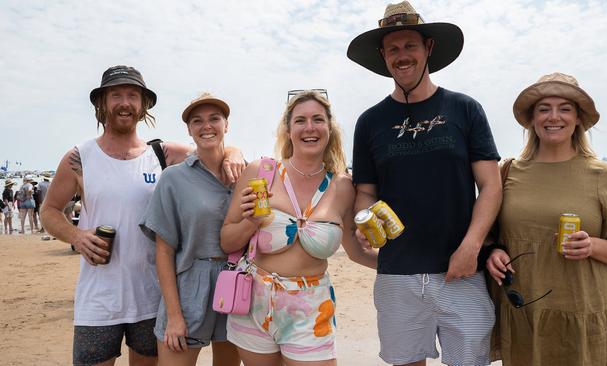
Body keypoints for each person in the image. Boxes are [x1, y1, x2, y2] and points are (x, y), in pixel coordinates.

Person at [40, 65, 244, 366]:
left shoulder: (163, 154)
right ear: (102, 103)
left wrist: (235, 152)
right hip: (98, 300)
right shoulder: (79, 157)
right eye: (116, 95)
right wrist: (77, 236)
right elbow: (49, 211)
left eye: (133, 96)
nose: (125, 102)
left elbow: (210, 145)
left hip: (152, 299)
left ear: (143, 104)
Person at [346, 2, 502, 365]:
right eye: (393, 49)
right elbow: (365, 191)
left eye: (410, 46)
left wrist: (471, 246)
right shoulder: (370, 122)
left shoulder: (465, 109)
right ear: (383, 56)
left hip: (460, 271)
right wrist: (363, 220)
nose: (402, 56)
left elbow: (491, 186)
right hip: (397, 275)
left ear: (428, 48)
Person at [485, 72, 607, 366]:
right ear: (532, 119)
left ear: (578, 119)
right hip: (525, 315)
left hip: (583, 313)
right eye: (544, 108)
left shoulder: (603, 176)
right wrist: (494, 252)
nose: (554, 117)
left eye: (565, 108)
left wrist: (592, 246)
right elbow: (490, 235)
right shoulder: (508, 171)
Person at [221, 90, 377, 365]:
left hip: (312, 309)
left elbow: (355, 252)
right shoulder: (261, 171)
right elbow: (227, 241)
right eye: (300, 120)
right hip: (255, 303)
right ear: (288, 130)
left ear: (329, 128)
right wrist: (251, 222)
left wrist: (405, 262)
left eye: (318, 119)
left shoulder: (343, 187)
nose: (310, 128)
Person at [140, 92, 240, 366]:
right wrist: (173, 315)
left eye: (214, 118)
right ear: (189, 129)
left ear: (226, 125)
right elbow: (163, 251)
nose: (206, 126)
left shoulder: (244, 174)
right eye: (197, 121)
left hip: (236, 284)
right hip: (189, 289)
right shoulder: (173, 178)